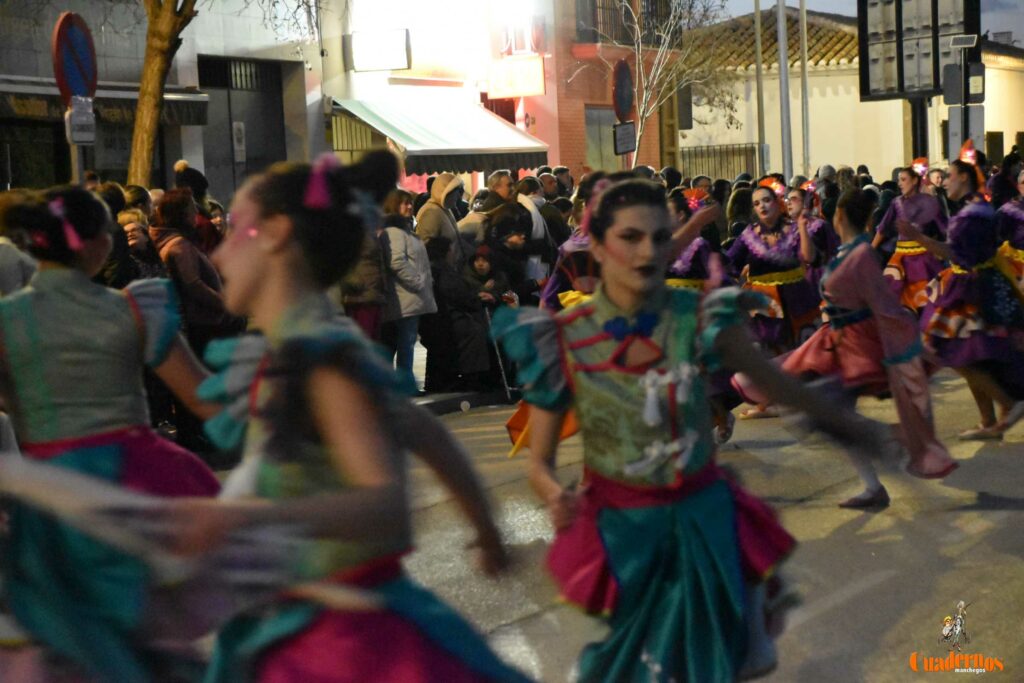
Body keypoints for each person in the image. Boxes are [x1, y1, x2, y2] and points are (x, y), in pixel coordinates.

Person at [493, 179, 887, 683]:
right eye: (630, 237)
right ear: (596, 246)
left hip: (701, 521)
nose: (648, 252)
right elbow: (539, 460)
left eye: (660, 238)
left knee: (717, 661)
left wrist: (849, 425)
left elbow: (777, 384)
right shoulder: (569, 339)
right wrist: (553, 493)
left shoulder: (698, 318)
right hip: (626, 536)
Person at [175, 154, 529, 682]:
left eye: (231, 234)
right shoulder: (297, 349)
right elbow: (426, 431)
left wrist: (247, 520)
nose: (220, 255)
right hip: (299, 623)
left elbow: (385, 504)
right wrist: (484, 524)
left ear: (273, 234)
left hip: (345, 641)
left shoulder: (325, 358)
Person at [0, 186, 220, 681]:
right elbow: (204, 397)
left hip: (48, 498)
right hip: (137, 484)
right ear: (97, 244)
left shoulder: (7, 319)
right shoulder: (136, 308)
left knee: (73, 642)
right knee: (144, 635)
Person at [734, 189, 958, 507]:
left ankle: (894, 439)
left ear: (839, 216)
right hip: (834, 341)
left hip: (855, 346)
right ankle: (875, 479)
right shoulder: (849, 250)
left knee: (817, 414)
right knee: (828, 416)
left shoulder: (862, 255)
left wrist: (909, 347)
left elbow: (885, 306)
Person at [912, 148, 1024, 440]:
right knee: (969, 355)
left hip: (974, 290)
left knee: (962, 355)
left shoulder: (974, 213)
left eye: (949, 176)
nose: (945, 181)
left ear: (963, 177)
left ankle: (1006, 407)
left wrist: (920, 239)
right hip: (969, 285)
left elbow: (959, 254)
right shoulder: (973, 208)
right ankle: (990, 420)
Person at [726, 180, 821, 357]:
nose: (762, 206)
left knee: (802, 355)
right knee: (771, 357)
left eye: (766, 200)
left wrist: (802, 228)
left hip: (797, 299)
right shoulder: (749, 235)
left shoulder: (794, 229)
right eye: (756, 203)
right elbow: (729, 262)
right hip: (764, 307)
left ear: (777, 202)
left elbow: (810, 257)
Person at [871, 163, 947, 315]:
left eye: (903, 179)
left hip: (924, 258)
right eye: (899, 180)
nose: (899, 183)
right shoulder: (896, 203)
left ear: (914, 180)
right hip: (901, 258)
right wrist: (870, 250)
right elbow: (883, 228)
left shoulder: (930, 202)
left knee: (925, 301)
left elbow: (944, 228)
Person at [380, 208, 436, 378]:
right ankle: (402, 384)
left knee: (403, 343)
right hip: (405, 296)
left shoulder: (404, 232)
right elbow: (397, 261)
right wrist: (418, 282)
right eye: (403, 203)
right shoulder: (395, 233)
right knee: (404, 343)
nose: (409, 207)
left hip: (407, 297)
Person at [786, 183, 841, 294]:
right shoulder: (788, 227)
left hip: (816, 281)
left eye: (794, 199)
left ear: (805, 203)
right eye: (787, 200)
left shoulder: (818, 225)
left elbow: (825, 254)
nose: (789, 203)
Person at [415, 172, 468, 266]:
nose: (458, 197)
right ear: (446, 192)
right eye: (456, 193)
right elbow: (426, 249)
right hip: (441, 274)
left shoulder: (444, 209)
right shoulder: (431, 212)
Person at [117, 208, 167, 279]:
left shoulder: (159, 256)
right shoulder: (125, 263)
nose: (130, 234)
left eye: (134, 230)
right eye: (126, 233)